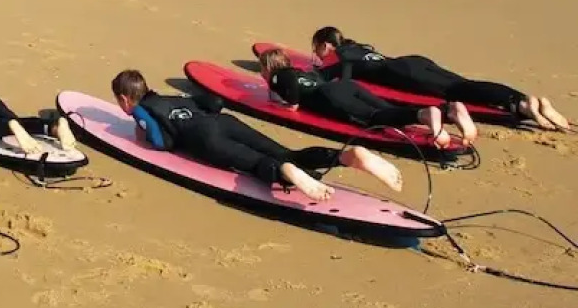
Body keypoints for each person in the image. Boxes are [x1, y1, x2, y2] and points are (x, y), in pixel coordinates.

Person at [110, 70, 403, 204]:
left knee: (254, 163)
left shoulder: (141, 111)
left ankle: (284, 171)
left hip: (206, 139)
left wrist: (142, 133)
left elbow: (162, 143)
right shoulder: (171, 98)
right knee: (287, 152)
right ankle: (345, 156)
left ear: (125, 99)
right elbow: (213, 102)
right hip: (225, 122)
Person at [311, 26, 569, 131]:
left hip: (403, 73)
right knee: (463, 84)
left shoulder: (340, 55)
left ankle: (522, 104)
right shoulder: (358, 47)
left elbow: (340, 79)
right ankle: (524, 100)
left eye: (317, 49)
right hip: (413, 62)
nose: (317, 55)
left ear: (326, 45)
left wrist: (317, 76)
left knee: (456, 90)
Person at [257, 47, 475, 148]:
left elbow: (293, 103)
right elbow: (334, 71)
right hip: (346, 86)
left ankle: (424, 114)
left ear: (269, 67)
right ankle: (448, 111)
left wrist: (285, 106)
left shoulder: (278, 77)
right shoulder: (303, 72)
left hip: (329, 96)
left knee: (374, 118)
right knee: (387, 110)